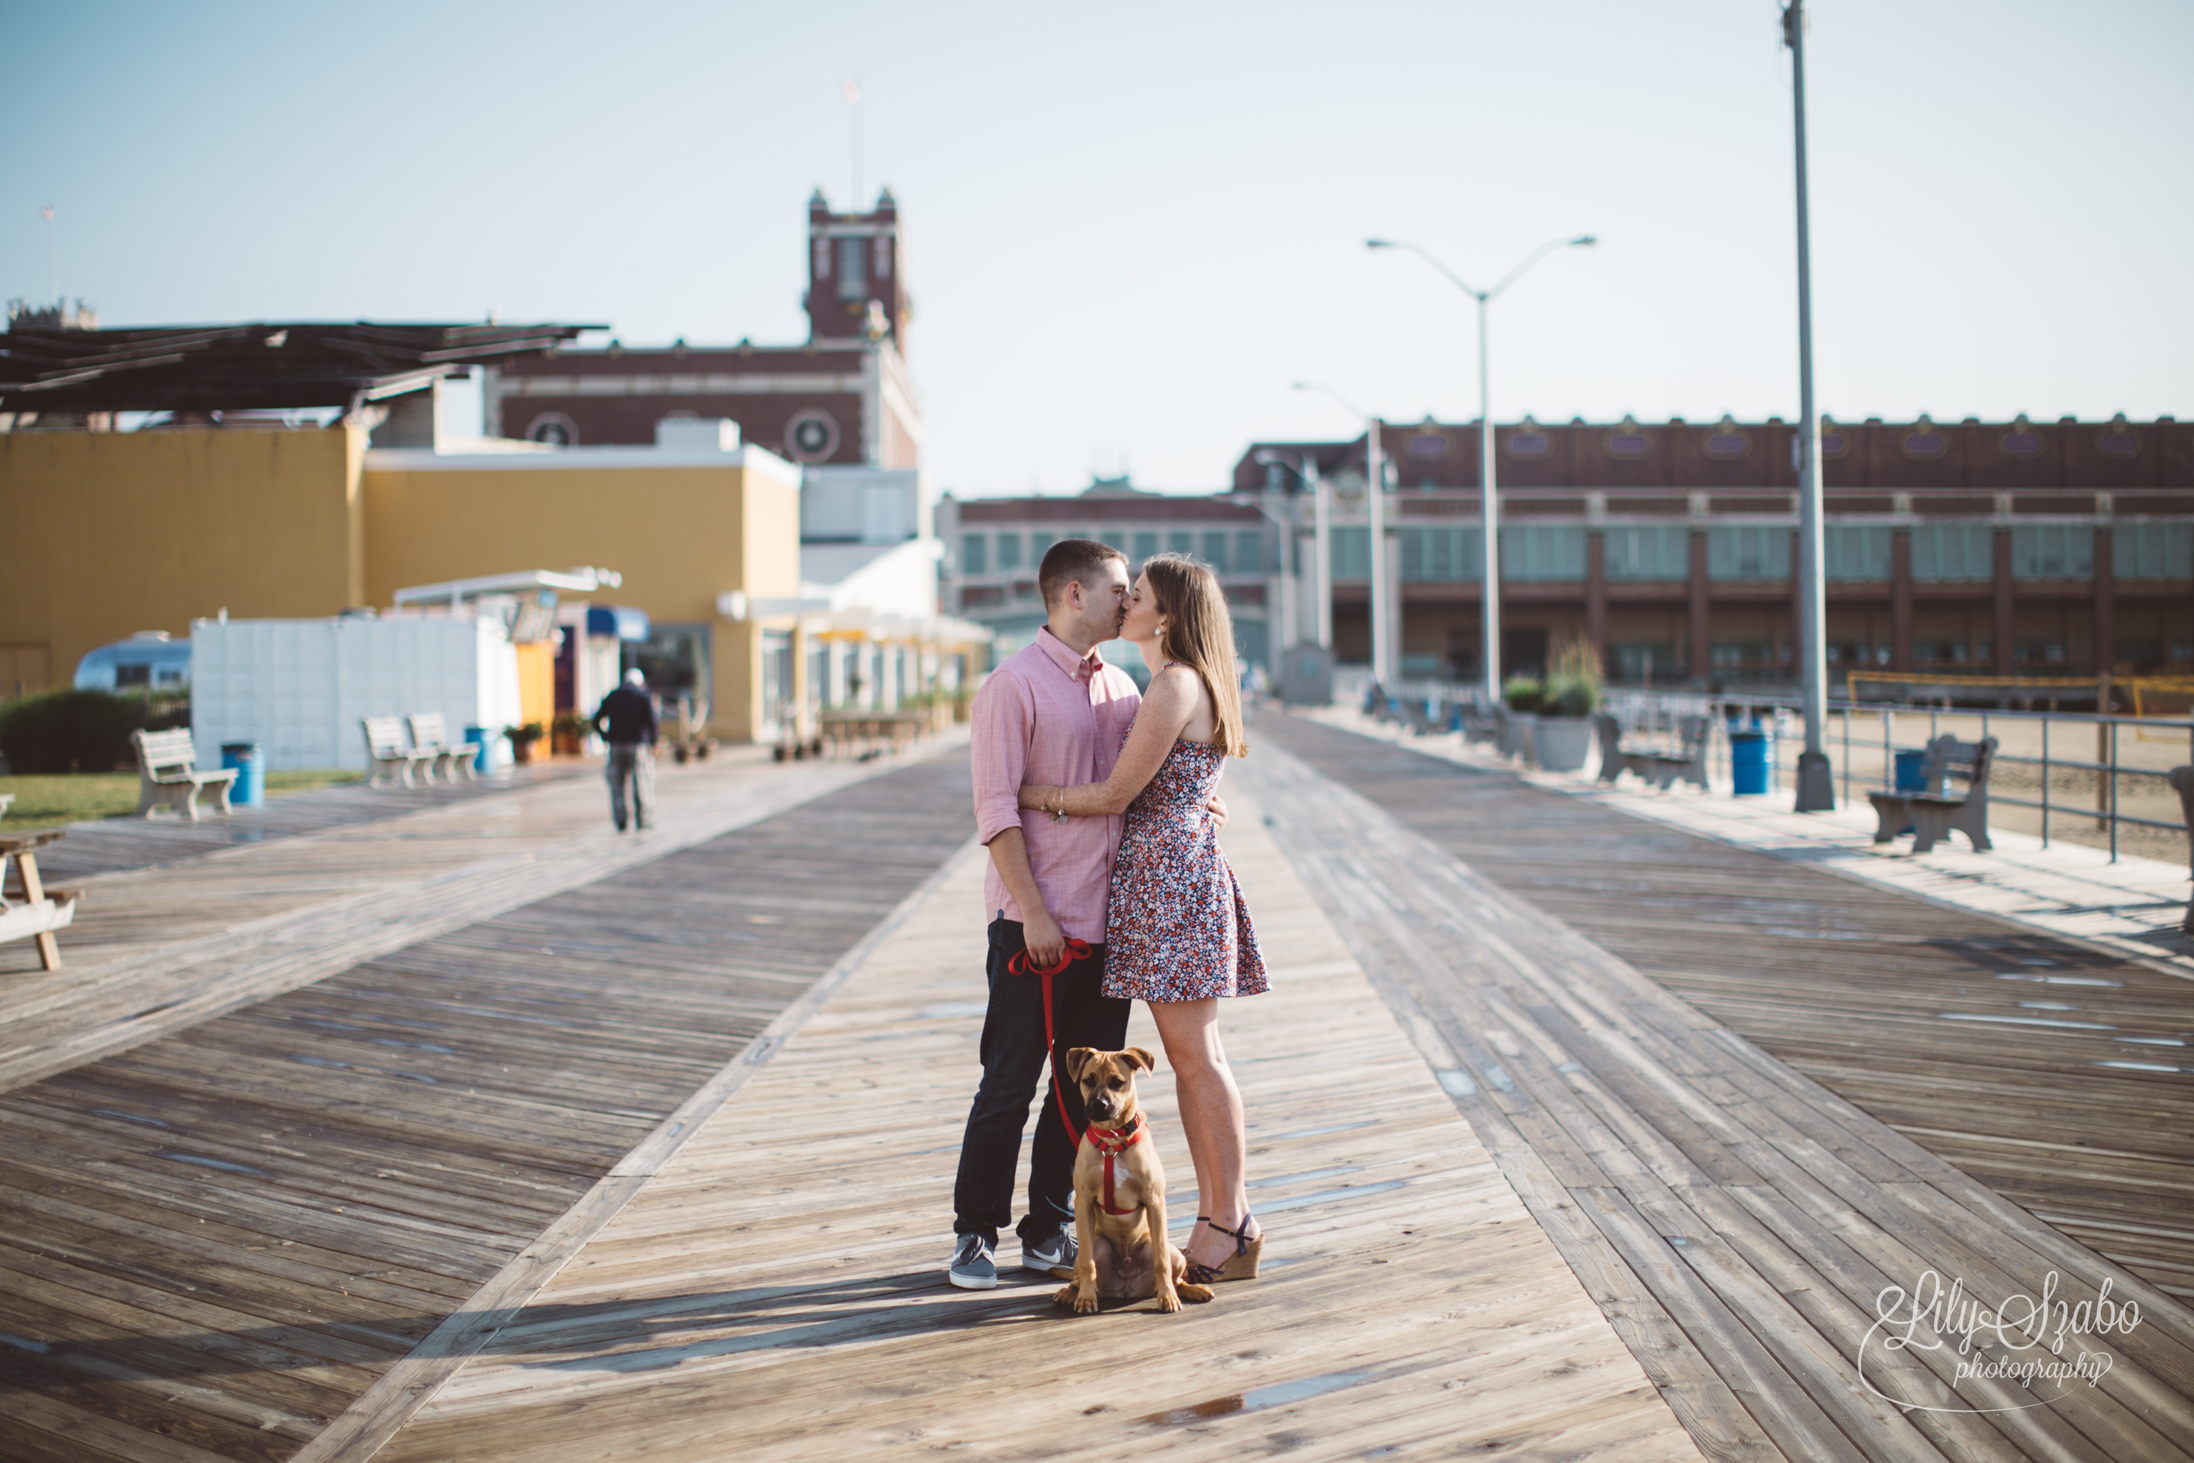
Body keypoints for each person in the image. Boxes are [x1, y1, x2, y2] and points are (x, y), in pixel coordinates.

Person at [948, 538, 1229, 1291]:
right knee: (1007, 1081)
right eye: (1116, 586)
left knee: (1081, 1095)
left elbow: (1142, 786)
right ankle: (974, 1232)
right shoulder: (1012, 686)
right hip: (1035, 922)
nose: (1127, 598)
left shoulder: (1126, 692)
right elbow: (997, 811)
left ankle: (1048, 1225)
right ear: (1074, 594)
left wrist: (1199, 805)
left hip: (1112, 928)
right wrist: (1033, 914)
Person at [1015, 553, 1267, 1285]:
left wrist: (1030, 795)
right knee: (1199, 1059)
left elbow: (1116, 794)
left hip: (1170, 885)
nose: (1125, 603)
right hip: (1173, 879)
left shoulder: (1173, 683)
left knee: (1196, 1061)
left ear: (1169, 615)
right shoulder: (1185, 682)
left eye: (1141, 595)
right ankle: (1222, 1215)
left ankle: (1231, 1218)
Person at [591, 668, 658, 832]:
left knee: (616, 784)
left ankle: (620, 819)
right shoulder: (643, 695)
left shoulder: (613, 695)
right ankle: (642, 819)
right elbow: (652, 722)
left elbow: (596, 719)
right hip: (637, 745)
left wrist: (605, 736)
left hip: (615, 745)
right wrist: (653, 742)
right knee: (640, 781)